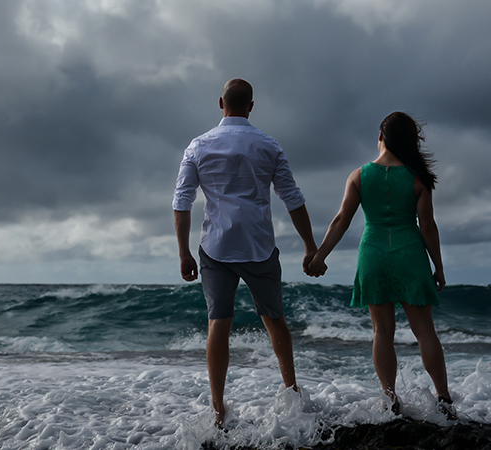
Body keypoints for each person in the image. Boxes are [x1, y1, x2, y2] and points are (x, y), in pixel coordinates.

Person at [173, 78, 318, 428]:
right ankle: (291, 391)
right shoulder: (269, 146)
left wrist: (183, 253)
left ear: (220, 103)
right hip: (259, 245)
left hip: (216, 248)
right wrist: (311, 245)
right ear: (251, 106)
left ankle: (219, 408)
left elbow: (182, 201)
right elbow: (293, 198)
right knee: (274, 320)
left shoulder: (198, 145)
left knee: (218, 324)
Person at [308, 111, 454, 417]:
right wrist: (438, 266)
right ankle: (443, 398)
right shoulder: (417, 179)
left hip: (373, 253)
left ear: (380, 137)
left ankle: (390, 399)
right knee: (425, 331)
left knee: (382, 332)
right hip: (409, 253)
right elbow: (428, 226)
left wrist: (320, 255)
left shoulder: (359, 175)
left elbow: (341, 221)